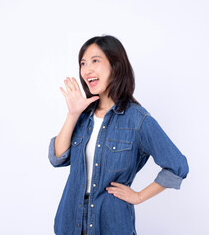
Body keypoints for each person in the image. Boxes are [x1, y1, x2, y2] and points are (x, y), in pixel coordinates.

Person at [48, 35, 189, 235]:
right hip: (70, 223)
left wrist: (139, 196)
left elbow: (177, 166)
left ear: (115, 66)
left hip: (112, 225)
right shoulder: (82, 114)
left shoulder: (137, 120)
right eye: (83, 63)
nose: (87, 69)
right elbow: (57, 158)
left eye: (95, 61)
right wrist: (72, 114)